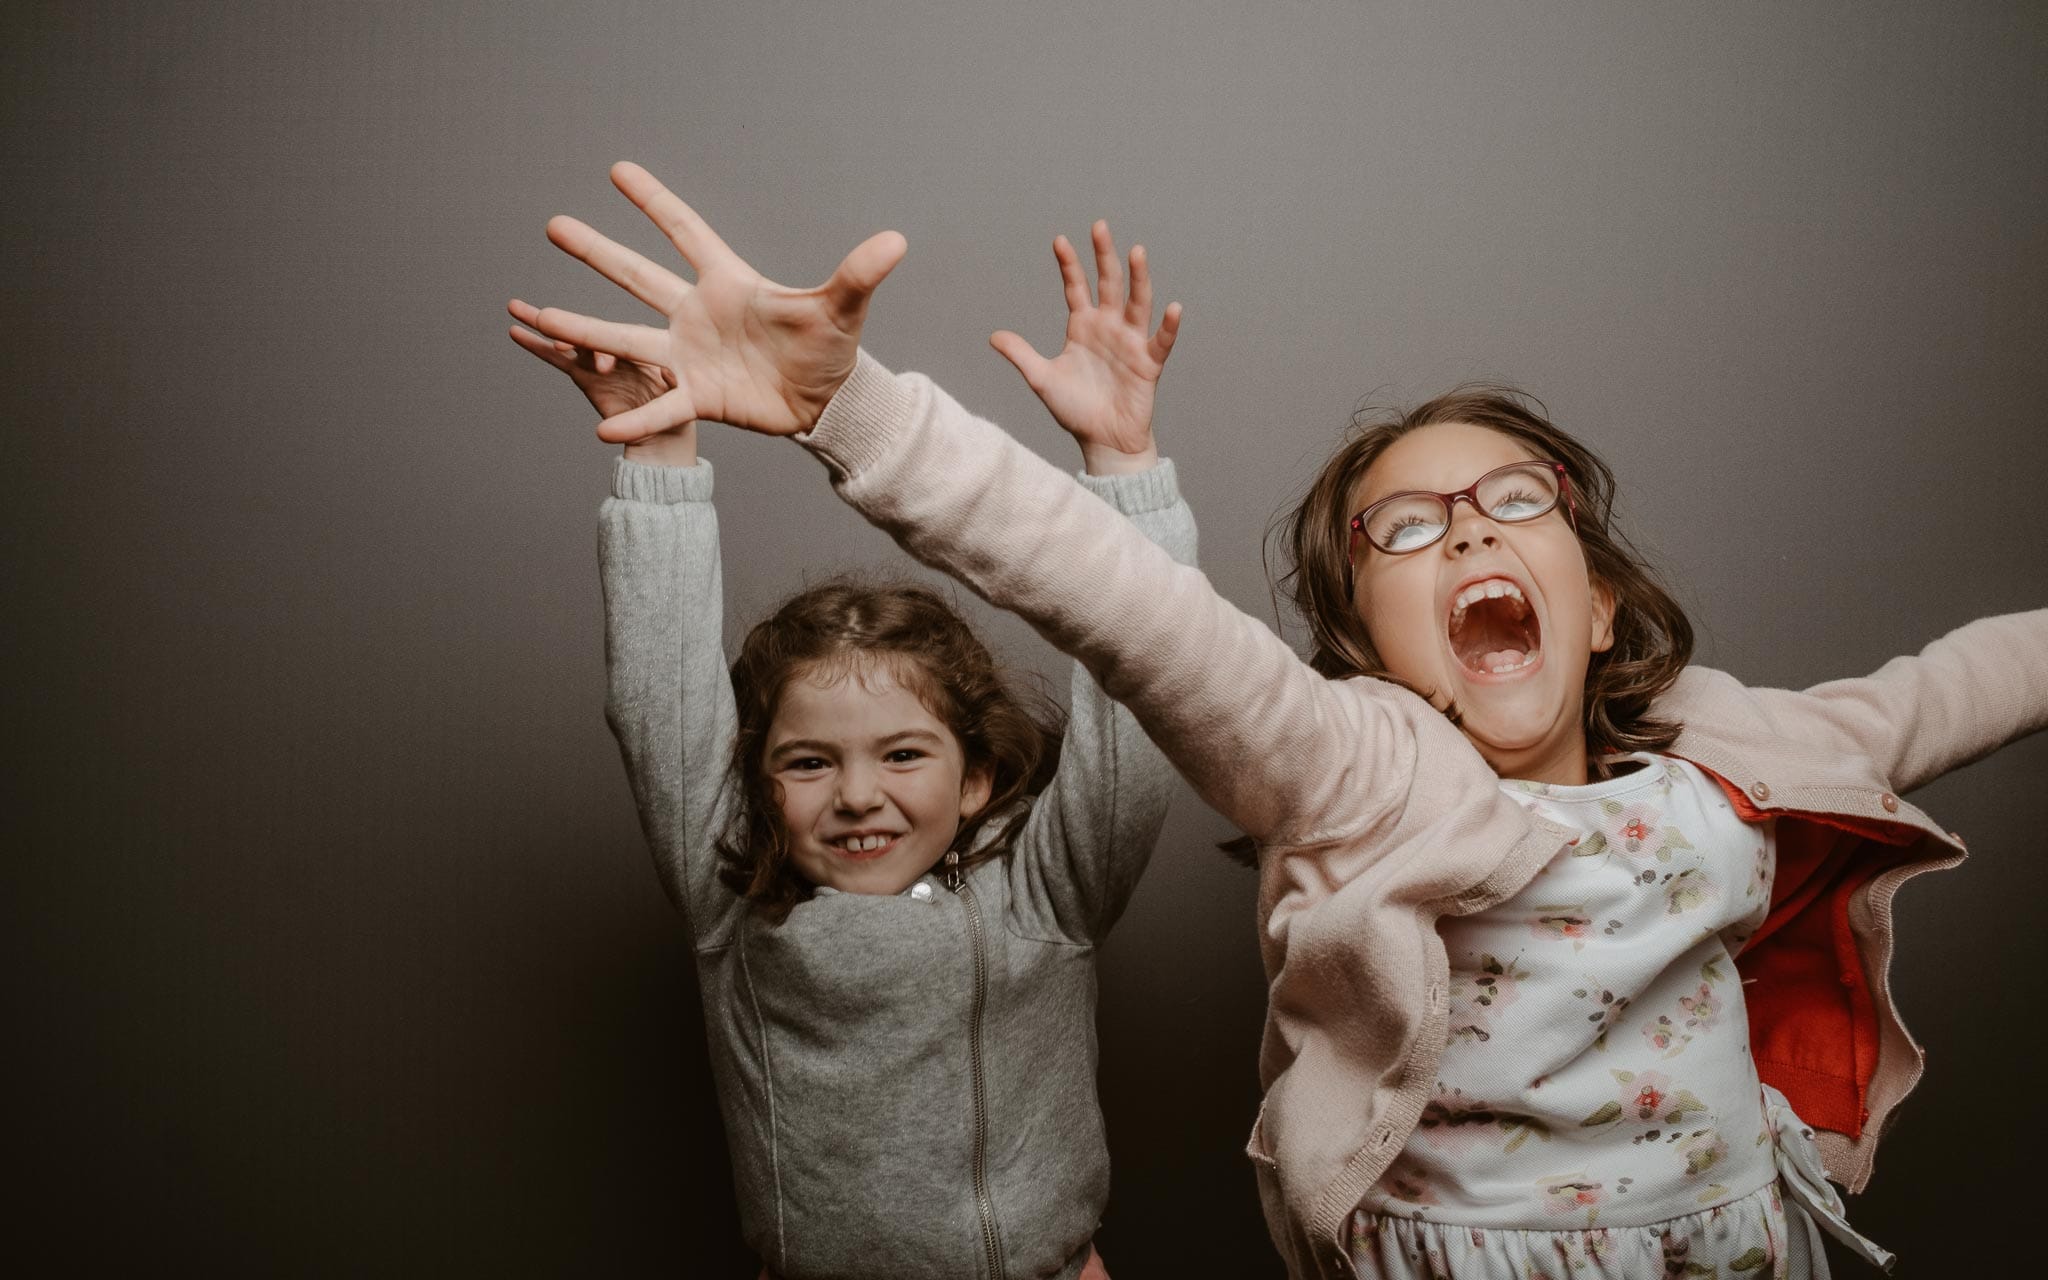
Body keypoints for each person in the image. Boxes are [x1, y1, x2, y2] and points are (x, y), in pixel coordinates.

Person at [517, 161, 2048, 1279]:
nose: (1463, 532)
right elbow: (1119, 607)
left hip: (1736, 1249)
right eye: (1407, 531)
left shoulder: (1738, 754)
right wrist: (854, 408)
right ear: (1358, 647)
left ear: (1598, 603)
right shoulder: (1359, 766)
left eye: (1516, 503)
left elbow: (1965, 682)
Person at [507, 212, 1195, 1280]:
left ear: (975, 777)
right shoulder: (734, 895)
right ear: (758, 778)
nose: (856, 795)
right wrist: (655, 456)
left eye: (904, 755)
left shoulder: (1042, 894)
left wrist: (1123, 464)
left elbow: (1146, 690)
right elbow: (659, 699)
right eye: (808, 760)